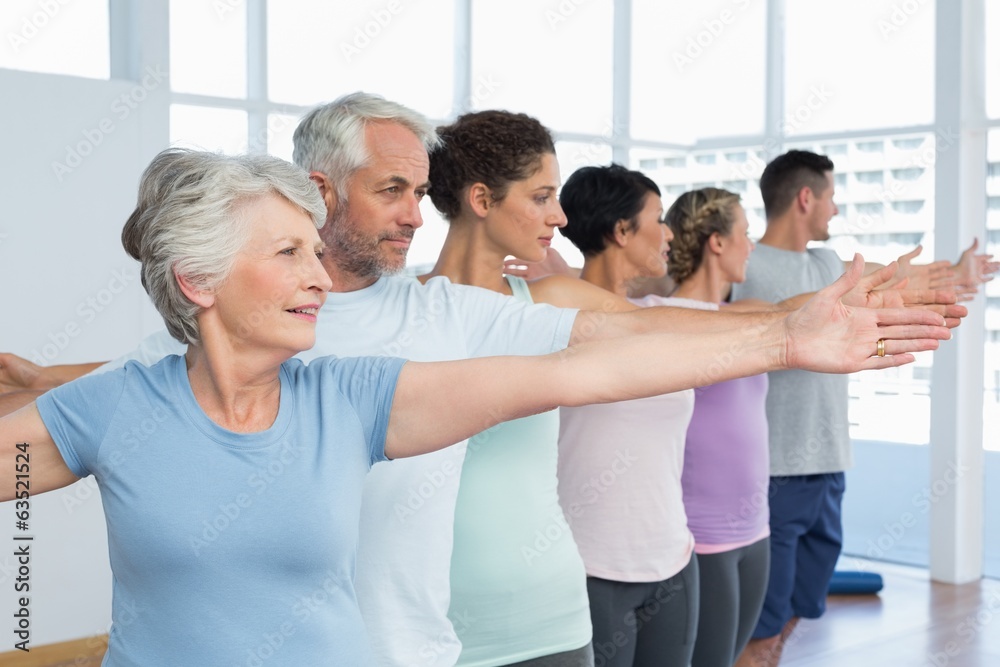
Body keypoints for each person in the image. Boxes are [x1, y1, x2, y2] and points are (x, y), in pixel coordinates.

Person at [0, 97, 958, 666]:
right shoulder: (113, 407)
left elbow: (601, 361)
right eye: (286, 252)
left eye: (309, 250)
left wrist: (786, 337)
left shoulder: (357, 399)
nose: (311, 278)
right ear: (200, 281)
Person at [731, 150, 994, 667]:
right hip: (771, 472)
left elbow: (901, 278)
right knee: (760, 621)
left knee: (799, 607)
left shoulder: (832, 266)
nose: (834, 209)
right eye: (830, 196)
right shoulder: (743, 265)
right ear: (806, 198)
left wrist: (959, 273)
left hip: (829, 468)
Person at [554, 164, 699, 667]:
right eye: (658, 218)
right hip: (589, 565)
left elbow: (762, 318)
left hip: (674, 560)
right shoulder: (556, 322)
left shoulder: (663, 317)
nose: (669, 233)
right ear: (620, 231)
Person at [661, 186, 771, 667]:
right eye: (745, 233)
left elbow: (802, 311)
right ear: (717, 242)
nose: (752, 244)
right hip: (701, 534)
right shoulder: (659, 318)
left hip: (756, 527)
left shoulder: (742, 317)